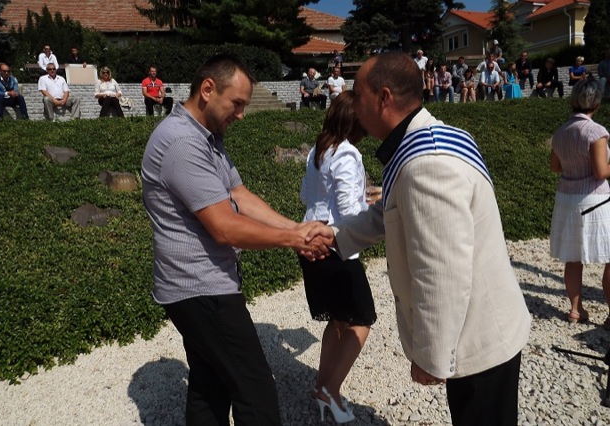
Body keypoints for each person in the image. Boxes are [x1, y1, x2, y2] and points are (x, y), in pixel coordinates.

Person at [303, 51, 531, 426]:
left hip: (478, 336)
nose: (352, 104)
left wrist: (432, 356)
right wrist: (333, 236)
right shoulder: (426, 140)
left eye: (358, 94)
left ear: (384, 97)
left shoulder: (427, 163)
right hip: (477, 323)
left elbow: (441, 271)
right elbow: (389, 212)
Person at [141, 53, 327, 426]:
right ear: (208, 89)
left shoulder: (205, 138)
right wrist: (293, 240)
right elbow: (225, 227)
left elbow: (238, 194)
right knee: (255, 392)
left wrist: (296, 228)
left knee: (210, 384)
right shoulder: (181, 142)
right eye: (237, 103)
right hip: (201, 289)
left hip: (196, 287)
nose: (241, 115)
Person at [299, 91, 376, 424]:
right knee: (362, 319)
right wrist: (371, 205)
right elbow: (348, 212)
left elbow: (306, 194)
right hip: (335, 246)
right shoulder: (347, 152)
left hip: (310, 239)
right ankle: (330, 390)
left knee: (339, 318)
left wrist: (360, 198)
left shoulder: (317, 150)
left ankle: (321, 386)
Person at [549, 79, 610, 329]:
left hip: (567, 199)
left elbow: (555, 167)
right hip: (594, 199)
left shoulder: (561, 132)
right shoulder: (596, 132)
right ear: (597, 103)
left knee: (573, 258)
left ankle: (576, 309)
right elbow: (600, 171)